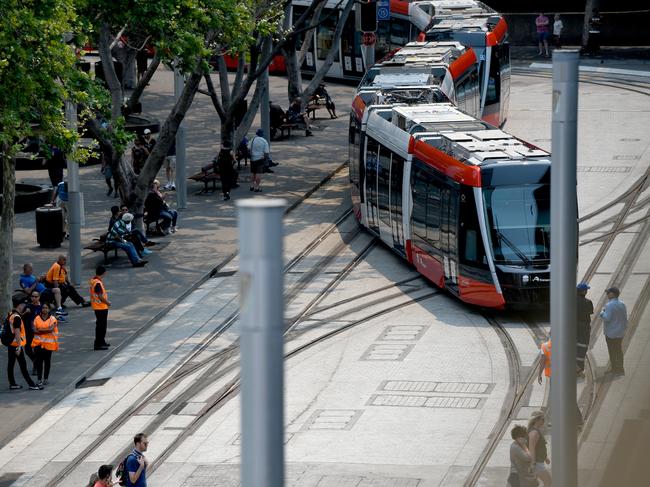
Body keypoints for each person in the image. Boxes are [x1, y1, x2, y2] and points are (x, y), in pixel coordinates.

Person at [5, 296, 41, 390]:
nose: (25, 306)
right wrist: (19, 347)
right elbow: (17, 332)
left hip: (11, 344)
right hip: (16, 345)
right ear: (20, 305)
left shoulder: (11, 314)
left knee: (11, 364)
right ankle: (32, 384)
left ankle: (12, 383)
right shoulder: (16, 317)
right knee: (23, 365)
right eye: (24, 304)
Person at [600, 286, 627, 376]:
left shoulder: (609, 305)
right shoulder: (622, 304)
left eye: (608, 293)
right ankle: (620, 369)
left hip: (611, 333)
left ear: (613, 294)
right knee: (618, 350)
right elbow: (624, 318)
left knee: (612, 351)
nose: (607, 294)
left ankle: (615, 369)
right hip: (620, 332)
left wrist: (602, 313)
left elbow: (607, 318)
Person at [31, 303, 59, 387]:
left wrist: (40, 329)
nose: (44, 309)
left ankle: (45, 378)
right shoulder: (37, 318)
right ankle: (39, 379)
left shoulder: (52, 319)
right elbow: (34, 330)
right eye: (43, 308)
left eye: (46, 308)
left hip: (48, 344)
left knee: (47, 361)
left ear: (49, 309)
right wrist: (45, 330)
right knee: (39, 362)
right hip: (38, 344)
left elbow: (51, 329)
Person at [90, 265, 112, 350]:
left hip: (98, 307)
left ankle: (102, 341)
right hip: (101, 307)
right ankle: (98, 344)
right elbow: (100, 296)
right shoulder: (98, 283)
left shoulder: (94, 280)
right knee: (101, 326)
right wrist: (107, 302)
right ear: (104, 273)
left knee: (101, 326)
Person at [528, 411, 551, 486]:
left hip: (538, 462)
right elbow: (532, 448)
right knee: (548, 482)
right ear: (537, 420)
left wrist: (545, 458)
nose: (543, 421)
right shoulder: (534, 433)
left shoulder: (536, 431)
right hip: (536, 463)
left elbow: (539, 447)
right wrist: (533, 464)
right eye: (542, 419)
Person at [576, 283, 593, 378]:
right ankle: (579, 370)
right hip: (583, 327)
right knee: (582, 347)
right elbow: (590, 312)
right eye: (586, 290)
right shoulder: (588, 302)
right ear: (583, 291)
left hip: (572, 326)